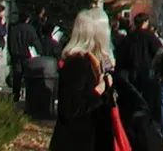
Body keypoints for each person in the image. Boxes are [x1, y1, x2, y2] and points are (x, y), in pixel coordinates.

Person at [49, 9, 119, 151]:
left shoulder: (95, 61)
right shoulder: (77, 63)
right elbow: (71, 108)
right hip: (77, 142)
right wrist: (99, 89)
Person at [8, 11, 40, 102]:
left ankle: (16, 94)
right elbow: (35, 42)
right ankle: (28, 94)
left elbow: (10, 42)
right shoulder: (30, 29)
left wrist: (12, 53)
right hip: (27, 55)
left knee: (17, 75)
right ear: (28, 19)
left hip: (16, 54)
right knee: (28, 75)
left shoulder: (14, 28)